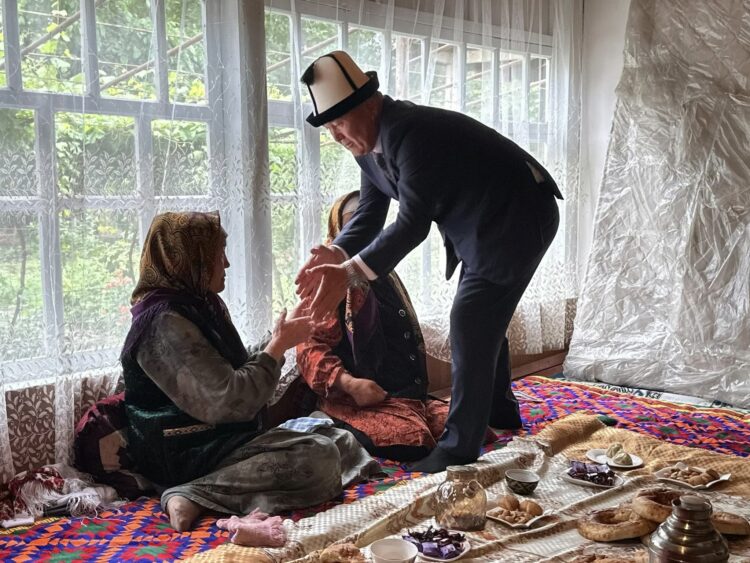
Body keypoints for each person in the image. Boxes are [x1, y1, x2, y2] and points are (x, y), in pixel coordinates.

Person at [295, 51, 562, 473]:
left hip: (519, 215)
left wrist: (349, 275)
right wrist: (337, 251)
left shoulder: (412, 134)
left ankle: (459, 447)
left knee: (471, 317)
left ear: (370, 104)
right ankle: (500, 410)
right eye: (328, 127)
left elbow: (411, 226)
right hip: (479, 222)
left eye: (339, 122)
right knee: (482, 316)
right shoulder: (367, 144)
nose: (336, 136)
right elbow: (369, 214)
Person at [121, 211, 377, 531]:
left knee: (335, 436)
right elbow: (229, 402)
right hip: (183, 451)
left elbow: (236, 369)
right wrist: (279, 345)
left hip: (220, 438)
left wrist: (280, 335)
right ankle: (191, 494)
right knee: (319, 455)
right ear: (190, 259)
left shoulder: (201, 303)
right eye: (218, 254)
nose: (227, 264)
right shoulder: (161, 323)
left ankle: (206, 491)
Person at [296, 191, 449, 461]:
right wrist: (351, 385)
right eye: (353, 226)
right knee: (412, 441)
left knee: (465, 426)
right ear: (340, 231)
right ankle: (329, 423)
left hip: (405, 396)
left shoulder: (380, 268)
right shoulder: (329, 279)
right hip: (357, 399)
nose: (363, 235)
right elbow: (309, 347)